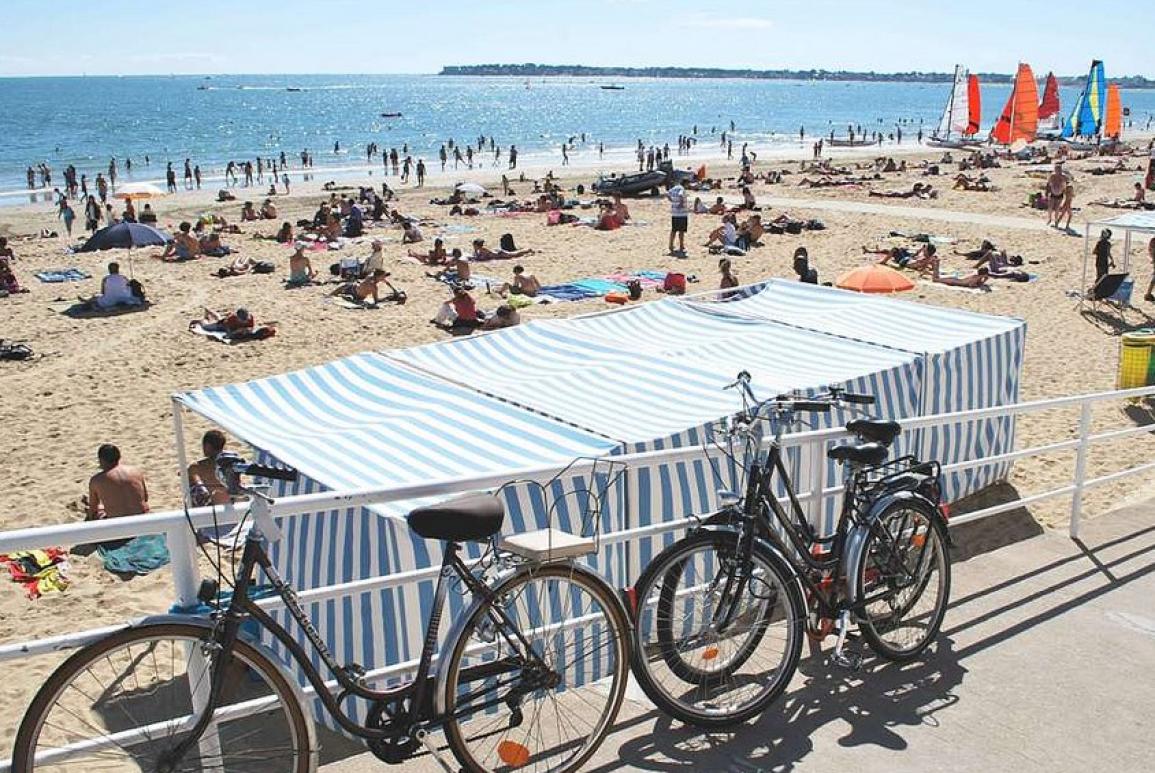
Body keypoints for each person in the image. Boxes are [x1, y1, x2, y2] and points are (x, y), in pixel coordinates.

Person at [87, 444, 149, 521]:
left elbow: (93, 509)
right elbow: (145, 498)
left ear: (101, 460)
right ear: (119, 457)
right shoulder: (136, 471)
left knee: (96, 514)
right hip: (142, 519)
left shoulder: (97, 480)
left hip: (118, 523)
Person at [187, 430, 230, 506]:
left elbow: (194, 479)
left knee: (192, 480)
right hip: (230, 506)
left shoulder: (197, 467)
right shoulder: (229, 463)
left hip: (209, 509)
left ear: (207, 446)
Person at [331, 269, 400, 306]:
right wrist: (388, 298)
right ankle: (331, 295)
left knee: (344, 286)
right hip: (356, 293)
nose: (384, 278)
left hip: (355, 292)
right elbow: (376, 301)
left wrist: (394, 289)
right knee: (345, 286)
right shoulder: (373, 286)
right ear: (378, 277)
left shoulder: (371, 278)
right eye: (383, 276)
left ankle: (330, 295)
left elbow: (386, 282)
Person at [667, 179, 689, 256]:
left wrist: (672, 201)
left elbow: (668, 194)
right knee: (681, 231)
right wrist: (681, 203)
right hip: (682, 214)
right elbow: (680, 194)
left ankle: (670, 245)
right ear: (685, 184)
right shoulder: (682, 189)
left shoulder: (674, 188)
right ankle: (681, 246)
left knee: (674, 230)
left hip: (674, 213)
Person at [1144, 238, 1155, 302]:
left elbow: (1150, 250)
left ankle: (1148, 294)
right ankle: (1148, 294)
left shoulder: (1153, 240)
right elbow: (1151, 250)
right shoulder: (1153, 240)